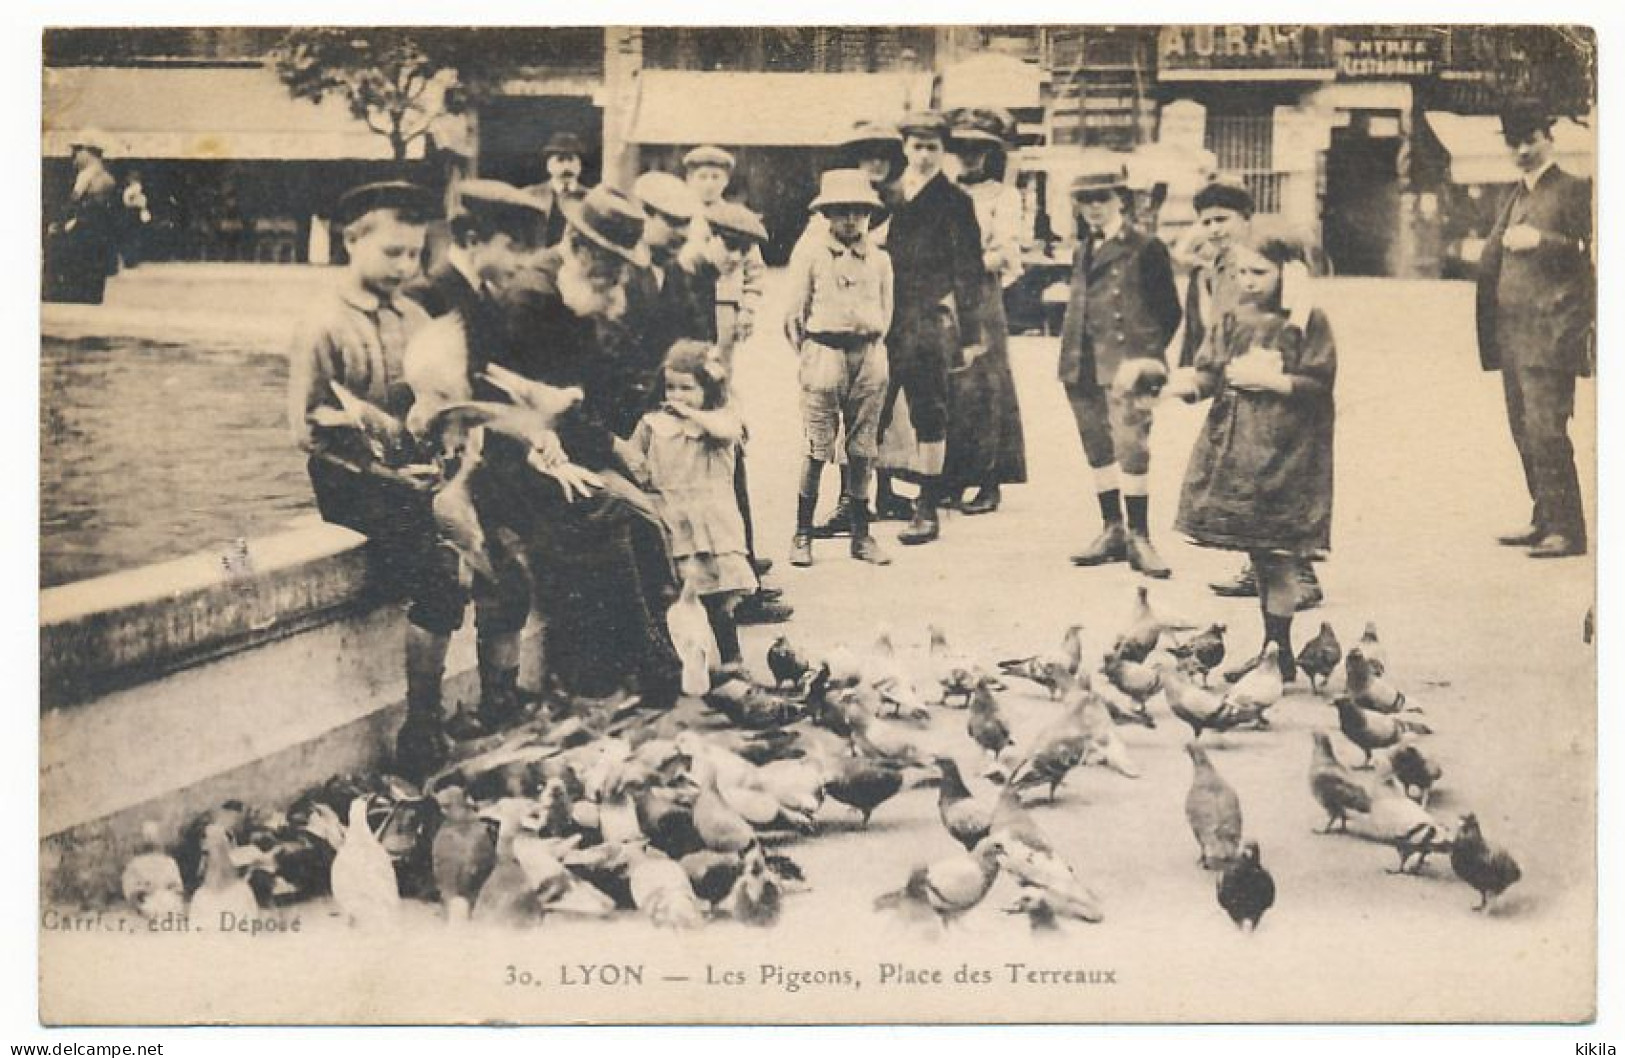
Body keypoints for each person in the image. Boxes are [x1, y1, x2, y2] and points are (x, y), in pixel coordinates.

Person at [407, 184, 685, 711]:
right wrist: (593, 444)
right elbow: (496, 393)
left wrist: (600, 441)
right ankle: (614, 670)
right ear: (580, 248)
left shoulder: (567, 288)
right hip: (503, 451)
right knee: (606, 509)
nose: (619, 279)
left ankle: (649, 660)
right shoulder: (534, 295)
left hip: (542, 441)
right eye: (612, 266)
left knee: (644, 516)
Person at [287, 181, 466, 758]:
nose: (405, 265)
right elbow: (307, 429)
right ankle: (421, 727)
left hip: (409, 472)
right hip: (351, 479)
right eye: (392, 252)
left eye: (415, 254)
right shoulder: (325, 322)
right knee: (439, 579)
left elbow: (433, 398)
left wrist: (443, 451)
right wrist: (390, 475)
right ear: (351, 241)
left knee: (490, 538)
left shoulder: (414, 315)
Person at [399, 179, 552, 732]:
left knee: (510, 582)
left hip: (481, 463)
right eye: (512, 247)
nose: (520, 261)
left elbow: (487, 378)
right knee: (444, 587)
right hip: (433, 472)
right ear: (472, 237)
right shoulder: (427, 296)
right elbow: (409, 395)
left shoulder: (483, 297)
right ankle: (422, 722)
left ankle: (499, 700)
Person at [1166, 228, 1336, 683]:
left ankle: (1276, 651)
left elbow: (1320, 382)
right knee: (1260, 553)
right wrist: (1184, 387)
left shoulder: (1305, 320)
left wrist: (1277, 383)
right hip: (1238, 449)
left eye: (1259, 272)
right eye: (1241, 271)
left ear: (1288, 273)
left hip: (1288, 451)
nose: (1248, 281)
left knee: (1279, 554)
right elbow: (1209, 372)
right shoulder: (1233, 317)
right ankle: (1273, 650)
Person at [1182, 175, 1326, 609]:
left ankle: (1301, 574)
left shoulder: (1272, 268)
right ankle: (1258, 566)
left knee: (1275, 483)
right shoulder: (1217, 268)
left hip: (1271, 388)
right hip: (1236, 387)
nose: (1214, 229)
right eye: (1206, 222)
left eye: (1223, 219)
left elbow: (1293, 325)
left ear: (1246, 219)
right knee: (1246, 482)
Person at [1477, 102, 1594, 559]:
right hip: (1513, 335)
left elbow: (1595, 252)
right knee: (1523, 430)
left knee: (1547, 429)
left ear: (1551, 136)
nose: (1522, 149)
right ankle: (1544, 517)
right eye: (1513, 141)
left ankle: (1568, 530)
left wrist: (1543, 241)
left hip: (1551, 332)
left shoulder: (1574, 189)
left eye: (1531, 138)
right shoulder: (1516, 194)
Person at [1058, 157, 1181, 577]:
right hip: (1082, 362)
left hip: (1129, 366)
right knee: (1098, 449)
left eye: (1102, 198)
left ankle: (1140, 537)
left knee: (1132, 448)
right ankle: (1112, 529)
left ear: (1121, 201)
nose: (1094, 207)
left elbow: (1169, 311)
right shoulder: (1082, 247)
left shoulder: (1145, 247)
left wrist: (1146, 360)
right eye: (1086, 200)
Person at [880, 109, 986, 546]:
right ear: (904, 148)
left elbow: (969, 270)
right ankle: (873, 496)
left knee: (929, 410)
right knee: (873, 408)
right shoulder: (883, 195)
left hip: (925, 319)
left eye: (932, 147)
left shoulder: (956, 202)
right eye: (917, 146)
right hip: (880, 317)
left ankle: (927, 505)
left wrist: (971, 333)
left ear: (943, 152)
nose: (923, 154)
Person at [783, 169, 895, 568]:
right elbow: (793, 315)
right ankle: (802, 533)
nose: (850, 220)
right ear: (826, 215)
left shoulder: (880, 259)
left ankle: (862, 536)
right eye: (840, 211)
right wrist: (815, 353)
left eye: (858, 212)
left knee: (863, 449)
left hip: (867, 355)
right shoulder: (811, 254)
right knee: (817, 447)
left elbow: (887, 311)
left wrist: (870, 349)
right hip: (824, 352)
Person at [800, 120, 906, 535]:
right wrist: (815, 349)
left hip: (871, 338)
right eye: (867, 155)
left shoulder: (895, 208)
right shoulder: (816, 237)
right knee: (821, 435)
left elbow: (888, 300)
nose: (875, 163)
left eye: (883, 155)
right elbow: (798, 306)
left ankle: (872, 503)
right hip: (827, 343)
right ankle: (818, 518)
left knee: (871, 429)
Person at [629, 341, 759, 674]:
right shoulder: (652, 424)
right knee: (678, 597)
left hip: (712, 523)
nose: (676, 396)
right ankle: (688, 666)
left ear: (709, 388)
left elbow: (728, 430)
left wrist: (690, 413)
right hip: (673, 519)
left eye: (687, 388)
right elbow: (634, 460)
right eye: (670, 387)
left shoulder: (718, 422)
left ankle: (732, 660)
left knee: (719, 599)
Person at [942, 106, 1028, 516]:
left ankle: (991, 480)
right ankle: (952, 477)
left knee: (988, 383)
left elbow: (1006, 252)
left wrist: (967, 263)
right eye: (962, 149)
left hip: (982, 294)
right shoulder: (942, 191)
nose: (969, 157)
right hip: (946, 295)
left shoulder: (1004, 197)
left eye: (978, 149)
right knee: (950, 382)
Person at [680, 145, 765, 365]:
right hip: (686, 301)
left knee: (720, 367)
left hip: (724, 304)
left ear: (726, 180)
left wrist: (748, 310)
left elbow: (754, 269)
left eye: (715, 177)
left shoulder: (739, 219)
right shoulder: (681, 215)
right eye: (702, 177)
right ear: (689, 179)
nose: (709, 183)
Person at [46, 130, 121, 304]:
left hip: (84, 226)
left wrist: (61, 222)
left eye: (77, 150)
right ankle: (92, 296)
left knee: (79, 261)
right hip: (101, 229)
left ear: (89, 151)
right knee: (96, 264)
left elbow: (74, 200)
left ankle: (77, 296)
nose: (73, 156)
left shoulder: (86, 175)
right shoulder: (107, 175)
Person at [523, 131, 591, 247]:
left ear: (579, 165)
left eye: (571, 160)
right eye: (560, 160)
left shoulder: (590, 198)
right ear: (548, 165)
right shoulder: (530, 195)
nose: (566, 167)